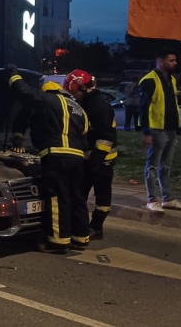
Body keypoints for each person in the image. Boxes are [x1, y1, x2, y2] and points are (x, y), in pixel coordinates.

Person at [7, 65, 90, 254]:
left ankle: (58, 242)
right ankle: (81, 238)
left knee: (57, 198)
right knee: (77, 197)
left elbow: (24, 92)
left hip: (56, 155)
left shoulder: (48, 100)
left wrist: (13, 75)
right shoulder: (77, 108)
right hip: (78, 158)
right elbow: (85, 132)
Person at [64, 69, 117, 240]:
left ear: (83, 88)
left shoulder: (98, 105)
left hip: (103, 160)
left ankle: (96, 227)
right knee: (80, 193)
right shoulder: (88, 102)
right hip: (90, 159)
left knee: (102, 196)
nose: (74, 96)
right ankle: (79, 225)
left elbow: (107, 136)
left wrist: (96, 160)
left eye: (74, 92)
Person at [139, 49, 181, 212]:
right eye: (172, 60)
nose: (175, 63)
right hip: (156, 129)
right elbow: (144, 107)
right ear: (161, 62)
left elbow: (168, 100)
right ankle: (152, 199)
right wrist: (146, 132)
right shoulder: (149, 81)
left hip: (170, 128)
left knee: (166, 166)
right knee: (152, 166)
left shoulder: (171, 80)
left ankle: (167, 198)